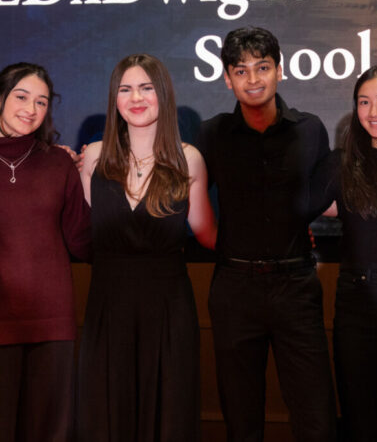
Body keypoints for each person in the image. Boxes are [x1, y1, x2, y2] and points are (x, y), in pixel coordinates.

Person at [196, 26, 337, 442]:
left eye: (262, 67)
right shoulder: (212, 133)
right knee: (242, 420)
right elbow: (185, 196)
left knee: (316, 417)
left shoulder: (310, 129)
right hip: (234, 288)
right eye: (241, 71)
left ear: (280, 70)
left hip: (296, 286)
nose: (253, 79)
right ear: (227, 78)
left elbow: (325, 197)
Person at [76, 53, 217, 441]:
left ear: (163, 94)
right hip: (107, 307)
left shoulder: (188, 159)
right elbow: (78, 228)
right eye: (125, 89)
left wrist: (278, 238)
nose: (136, 98)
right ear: (114, 99)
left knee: (168, 415)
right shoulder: (93, 157)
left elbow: (208, 234)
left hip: (169, 310)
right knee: (107, 413)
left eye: (146, 88)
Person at [0, 62, 91, 442]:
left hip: (53, 321)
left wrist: (89, 178)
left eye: (41, 101)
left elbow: (82, 241)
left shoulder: (58, 162)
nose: (31, 109)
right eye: (21, 97)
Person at [311, 65, 377, 442]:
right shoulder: (341, 163)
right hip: (359, 301)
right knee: (359, 419)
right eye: (364, 102)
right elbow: (297, 208)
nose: (373, 111)